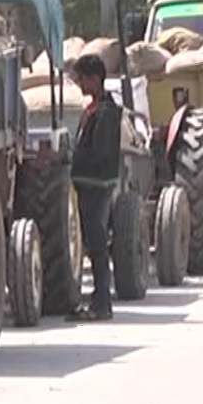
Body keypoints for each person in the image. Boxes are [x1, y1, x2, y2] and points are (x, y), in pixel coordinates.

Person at [65, 54, 123, 322]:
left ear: (95, 78)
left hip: (96, 185)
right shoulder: (94, 109)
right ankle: (98, 302)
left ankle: (102, 304)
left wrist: (71, 159)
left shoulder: (106, 113)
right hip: (88, 184)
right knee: (93, 244)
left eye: (83, 79)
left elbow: (99, 152)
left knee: (97, 245)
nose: (80, 85)